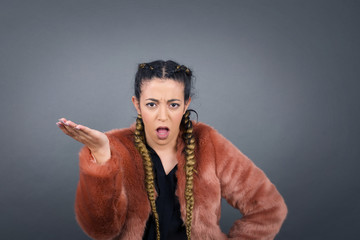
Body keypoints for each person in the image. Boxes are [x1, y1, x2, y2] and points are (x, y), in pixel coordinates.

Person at [56, 60, 287, 240]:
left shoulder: (208, 143)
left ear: (186, 104)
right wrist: (102, 156)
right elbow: (101, 230)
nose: (163, 116)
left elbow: (268, 206)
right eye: (151, 104)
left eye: (173, 104)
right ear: (137, 104)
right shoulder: (116, 147)